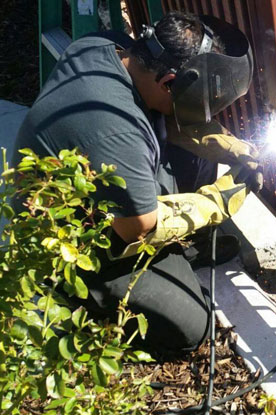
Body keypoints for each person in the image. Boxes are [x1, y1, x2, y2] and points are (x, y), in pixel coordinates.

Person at [14, 11, 262, 353]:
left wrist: (232, 147)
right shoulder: (116, 130)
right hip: (72, 245)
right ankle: (79, 302)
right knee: (193, 327)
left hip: (97, 186)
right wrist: (216, 202)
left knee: (189, 146)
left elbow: (173, 121)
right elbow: (139, 227)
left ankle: (184, 248)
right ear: (169, 82)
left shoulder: (108, 46)